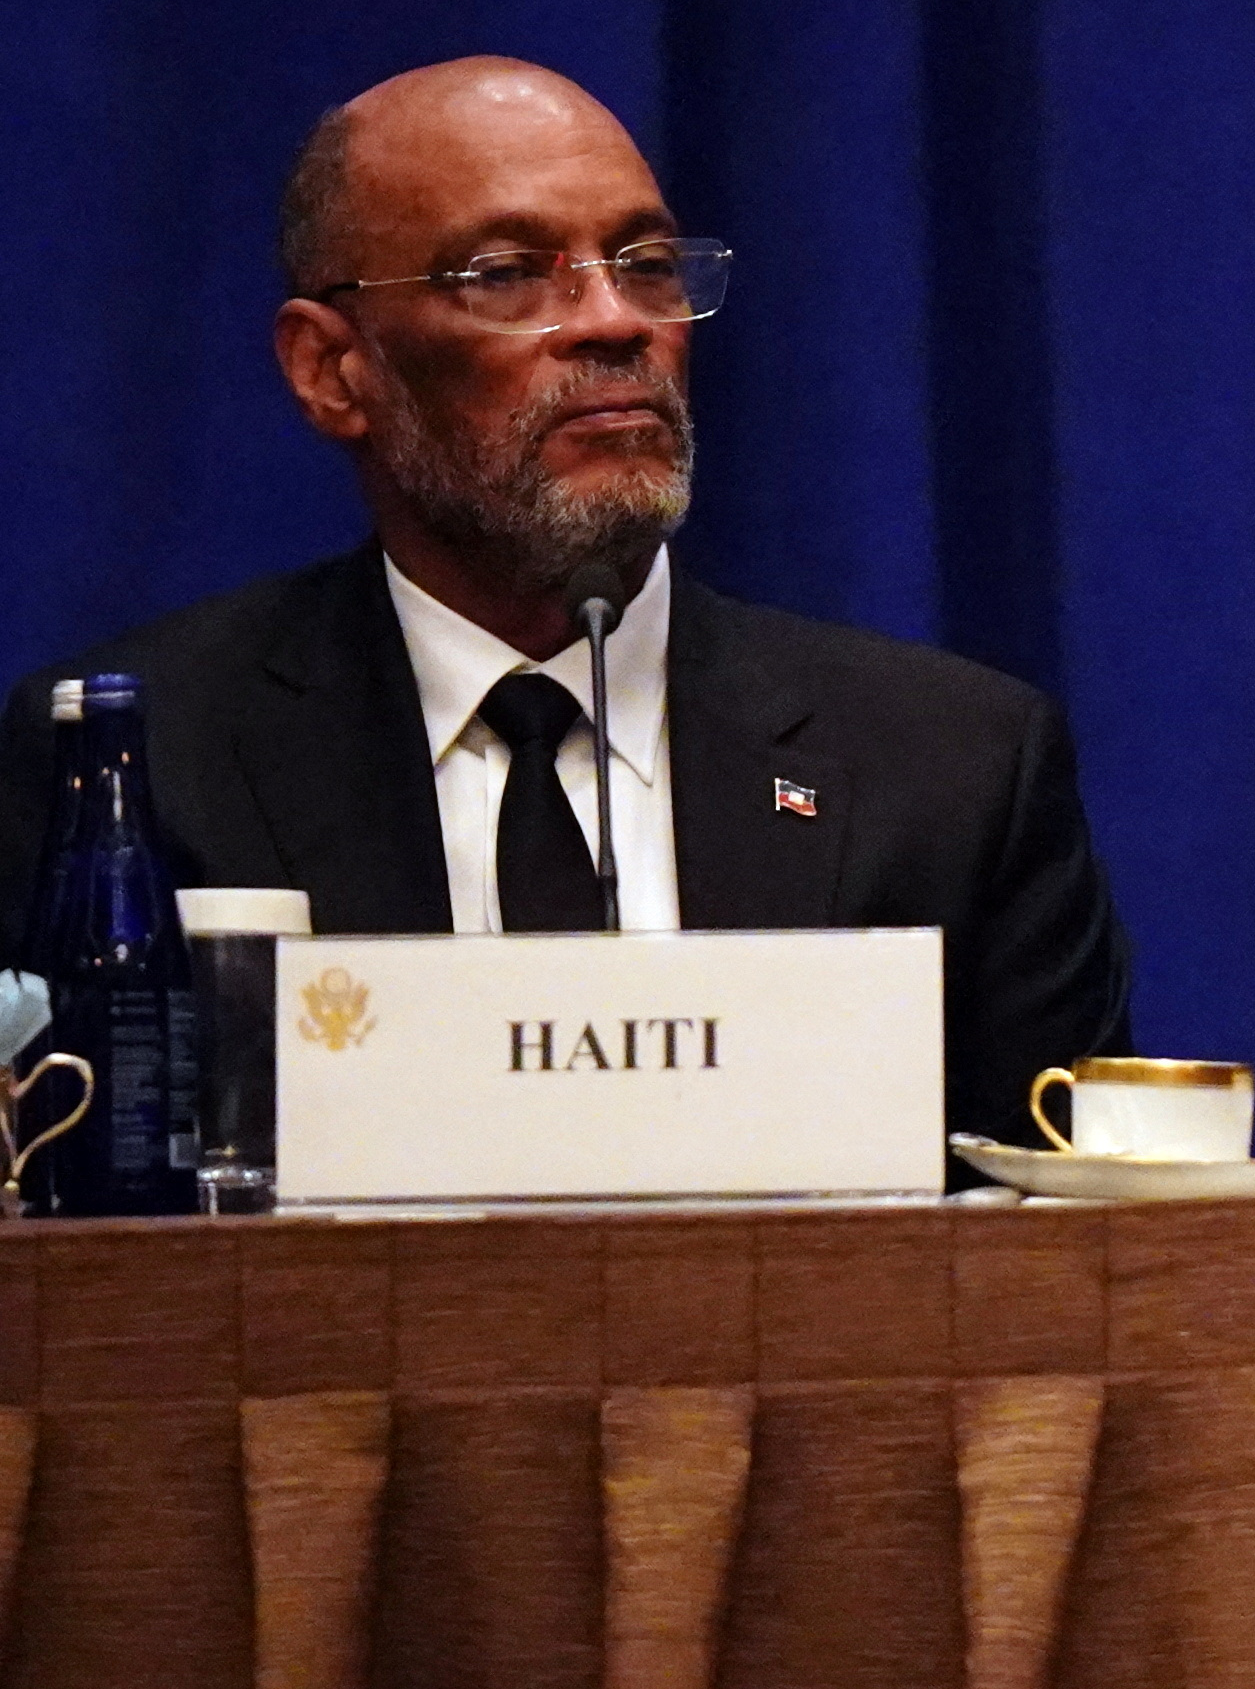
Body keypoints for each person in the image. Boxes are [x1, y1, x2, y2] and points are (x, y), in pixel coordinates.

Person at [0, 57, 1131, 1148]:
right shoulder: (143, 763)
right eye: (505, 274)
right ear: (330, 370)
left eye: (644, 262)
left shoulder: (951, 767)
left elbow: (1065, 1275)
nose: (613, 320)